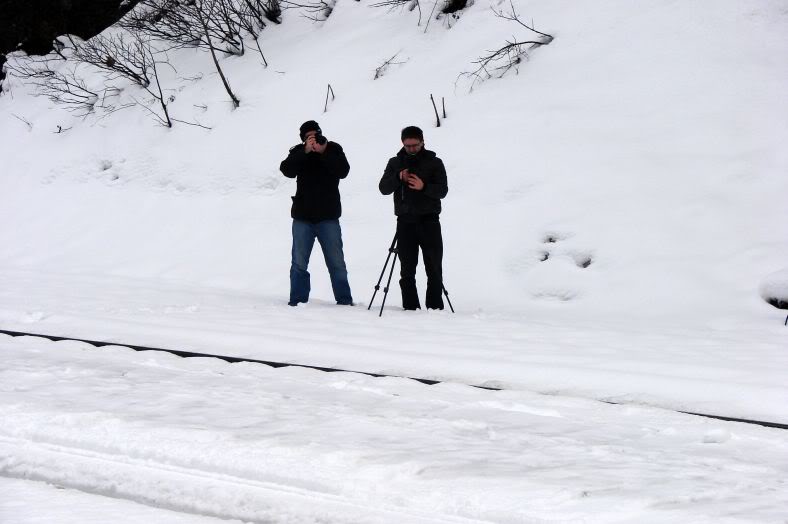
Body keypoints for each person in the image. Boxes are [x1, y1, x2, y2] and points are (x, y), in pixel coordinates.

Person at [280, 120, 353, 306]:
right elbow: (286, 170)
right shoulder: (298, 151)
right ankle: (297, 301)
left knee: (336, 262)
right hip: (303, 216)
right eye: (308, 137)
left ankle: (344, 301)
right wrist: (305, 152)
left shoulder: (333, 148)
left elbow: (343, 171)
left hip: (328, 216)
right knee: (298, 262)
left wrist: (323, 152)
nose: (313, 140)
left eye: (315, 135)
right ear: (303, 139)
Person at [379, 126, 448, 310]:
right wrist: (398, 176)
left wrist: (423, 187)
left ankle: (435, 308)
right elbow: (383, 188)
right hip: (405, 222)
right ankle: (410, 308)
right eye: (407, 145)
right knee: (407, 269)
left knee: (434, 267)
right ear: (402, 143)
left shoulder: (435, 162)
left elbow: (443, 191)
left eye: (415, 145)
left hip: (430, 221)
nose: (411, 149)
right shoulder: (395, 163)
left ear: (422, 141)